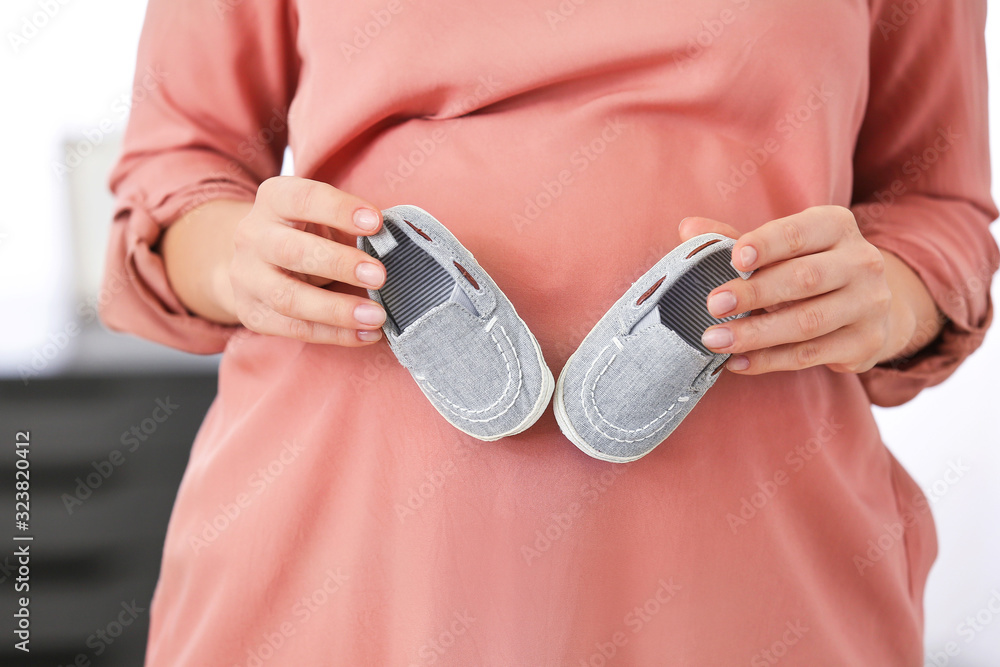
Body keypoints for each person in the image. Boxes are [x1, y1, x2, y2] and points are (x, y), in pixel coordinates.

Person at [100, 0, 998, 664]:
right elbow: (176, 172)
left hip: (750, 577)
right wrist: (236, 258)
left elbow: (940, 209)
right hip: (346, 568)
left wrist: (891, 294)